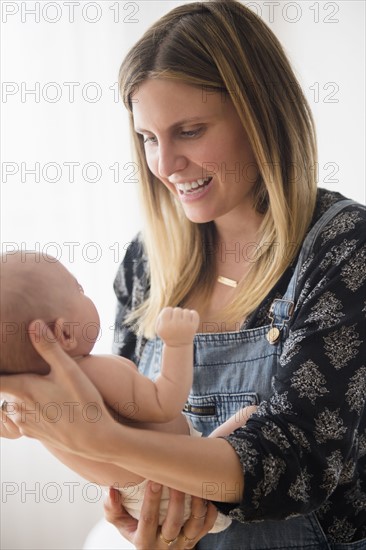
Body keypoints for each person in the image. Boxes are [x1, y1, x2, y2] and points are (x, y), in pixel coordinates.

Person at [1, 1, 365, 549]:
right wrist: (131, 502)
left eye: (189, 131)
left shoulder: (343, 249)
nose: (164, 164)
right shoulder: (145, 263)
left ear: (261, 115)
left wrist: (108, 444)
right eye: (148, 138)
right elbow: (118, 424)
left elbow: (301, 464)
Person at [0, 251, 255, 532]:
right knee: (251, 416)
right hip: (181, 483)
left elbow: (9, 429)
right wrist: (178, 343)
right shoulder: (97, 372)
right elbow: (164, 403)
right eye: (79, 289)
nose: (86, 294)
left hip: (138, 505)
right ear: (65, 335)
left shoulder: (24, 405)